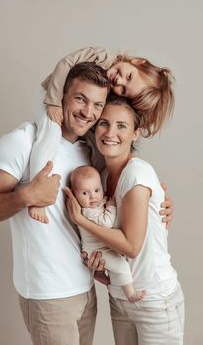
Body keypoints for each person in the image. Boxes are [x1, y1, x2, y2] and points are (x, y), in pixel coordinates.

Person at [0, 62, 173, 345]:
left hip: (86, 288)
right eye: (80, 99)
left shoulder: (90, 151)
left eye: (97, 105)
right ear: (62, 96)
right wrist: (27, 196)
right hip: (48, 294)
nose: (87, 112)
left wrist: (160, 204)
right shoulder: (23, 141)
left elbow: (113, 206)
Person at [64, 94, 184, 345]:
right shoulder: (102, 176)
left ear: (136, 133)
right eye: (104, 123)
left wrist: (81, 219)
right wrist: (98, 267)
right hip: (120, 297)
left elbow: (131, 245)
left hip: (153, 299)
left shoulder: (137, 173)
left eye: (122, 126)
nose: (110, 132)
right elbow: (113, 246)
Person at [29, 46, 175, 222]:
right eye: (129, 76)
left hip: (86, 242)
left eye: (123, 90)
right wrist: (53, 102)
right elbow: (66, 63)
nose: (119, 82)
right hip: (50, 97)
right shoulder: (102, 57)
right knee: (50, 134)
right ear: (137, 62)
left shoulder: (95, 146)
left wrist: (153, 195)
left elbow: (120, 156)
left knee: (102, 155)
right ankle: (37, 196)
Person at [70, 165, 146, 302]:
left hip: (101, 247)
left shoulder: (95, 204)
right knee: (122, 265)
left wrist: (104, 202)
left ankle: (100, 275)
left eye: (96, 190)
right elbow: (106, 223)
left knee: (117, 264)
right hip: (97, 250)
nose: (93, 196)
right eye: (85, 193)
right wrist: (111, 207)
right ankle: (131, 294)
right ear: (75, 195)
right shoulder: (87, 212)